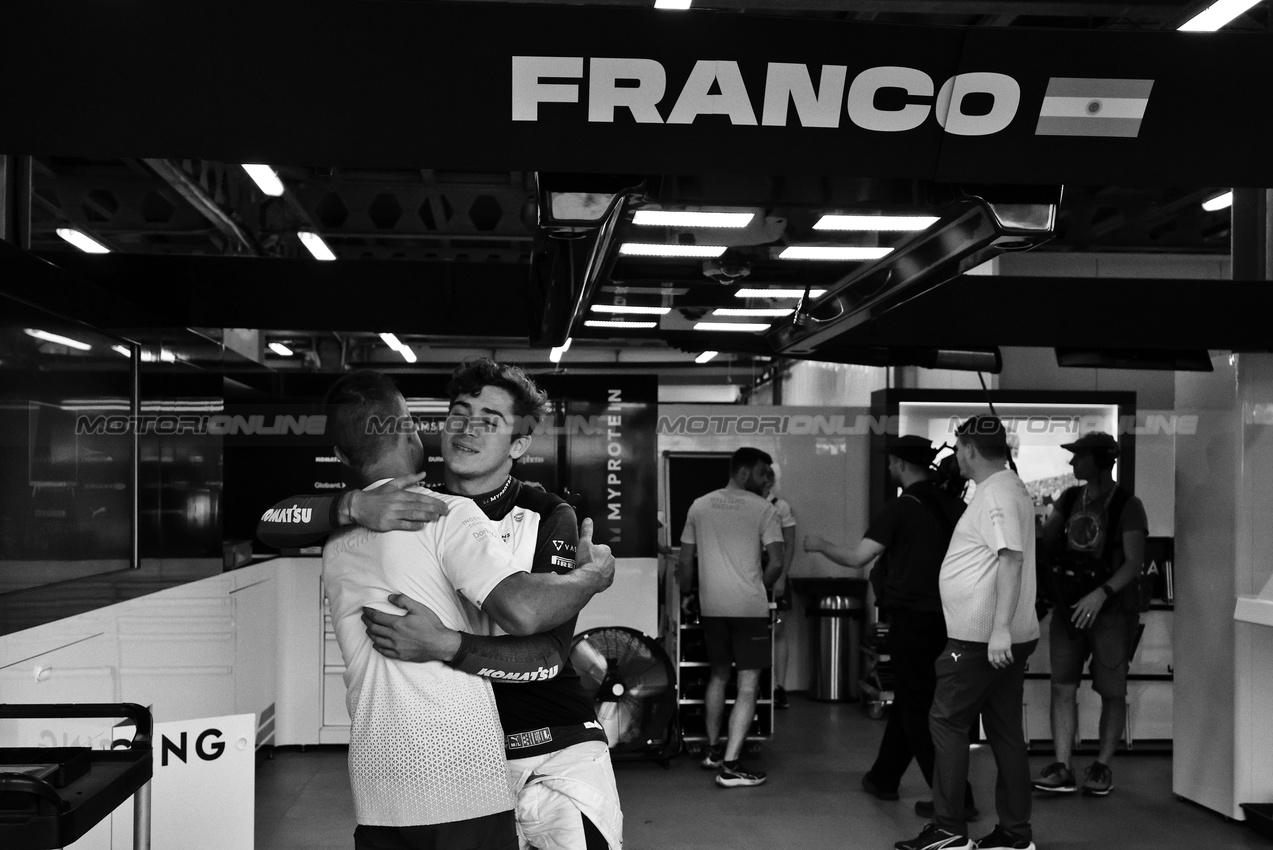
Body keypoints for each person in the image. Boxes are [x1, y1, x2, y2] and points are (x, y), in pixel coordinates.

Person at [316, 370, 615, 850]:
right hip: (462, 768)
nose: (468, 429)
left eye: (489, 420)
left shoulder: (547, 513)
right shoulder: (403, 505)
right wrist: (351, 505)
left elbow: (548, 654)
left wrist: (445, 644)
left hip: (552, 745)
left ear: (518, 445)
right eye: (460, 414)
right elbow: (271, 521)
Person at [804, 435, 976, 821]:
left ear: (899, 463)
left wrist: (819, 544)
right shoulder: (955, 505)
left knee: (919, 708)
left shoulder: (902, 506)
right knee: (914, 700)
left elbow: (856, 557)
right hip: (952, 620)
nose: (888, 467)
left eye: (890, 462)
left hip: (912, 619)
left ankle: (955, 798)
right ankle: (883, 778)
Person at [897, 416, 1039, 850]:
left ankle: (948, 831)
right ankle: (1015, 835)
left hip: (980, 641)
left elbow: (1010, 558)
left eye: (959, 448)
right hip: (1003, 637)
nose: (956, 456)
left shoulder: (995, 492)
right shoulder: (1010, 486)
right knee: (1005, 733)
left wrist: (997, 630)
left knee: (946, 723)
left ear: (971, 449)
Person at [1033, 431, 1148, 798]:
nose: (1072, 464)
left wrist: (1101, 594)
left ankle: (1102, 765)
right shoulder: (1069, 498)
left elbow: (1133, 563)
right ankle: (1063, 766)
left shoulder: (1128, 504)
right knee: (1062, 686)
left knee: (1112, 690)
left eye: (1079, 457)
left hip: (1110, 610)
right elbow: (1046, 541)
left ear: (1101, 461)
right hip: (1069, 609)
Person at [677, 447, 784, 788]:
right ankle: (731, 765)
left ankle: (711, 751)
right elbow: (778, 561)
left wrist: (687, 597)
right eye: (762, 472)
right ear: (743, 472)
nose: (766, 479)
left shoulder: (699, 505)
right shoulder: (764, 509)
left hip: (712, 607)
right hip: (748, 610)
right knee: (749, 684)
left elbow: (685, 563)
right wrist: (758, 589)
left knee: (719, 676)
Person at [763, 473, 797, 711]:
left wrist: (782, 577)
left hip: (775, 573)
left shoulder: (780, 507)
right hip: (750, 573)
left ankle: (780, 687)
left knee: (779, 630)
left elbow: (789, 544)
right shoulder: (746, 503)